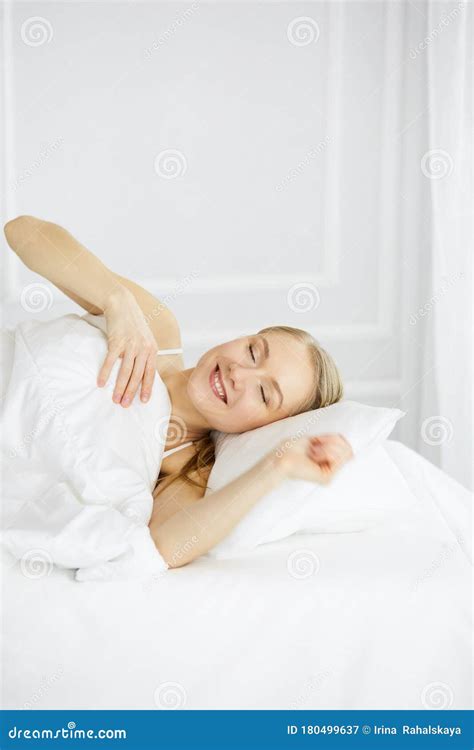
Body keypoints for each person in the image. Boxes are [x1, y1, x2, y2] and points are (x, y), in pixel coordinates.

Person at [3, 215, 354, 569]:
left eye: (264, 394)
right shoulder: (157, 329)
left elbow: (161, 547)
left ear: (264, 427)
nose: (239, 374)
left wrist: (277, 466)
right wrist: (116, 301)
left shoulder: (187, 468)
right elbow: (22, 233)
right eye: (252, 351)